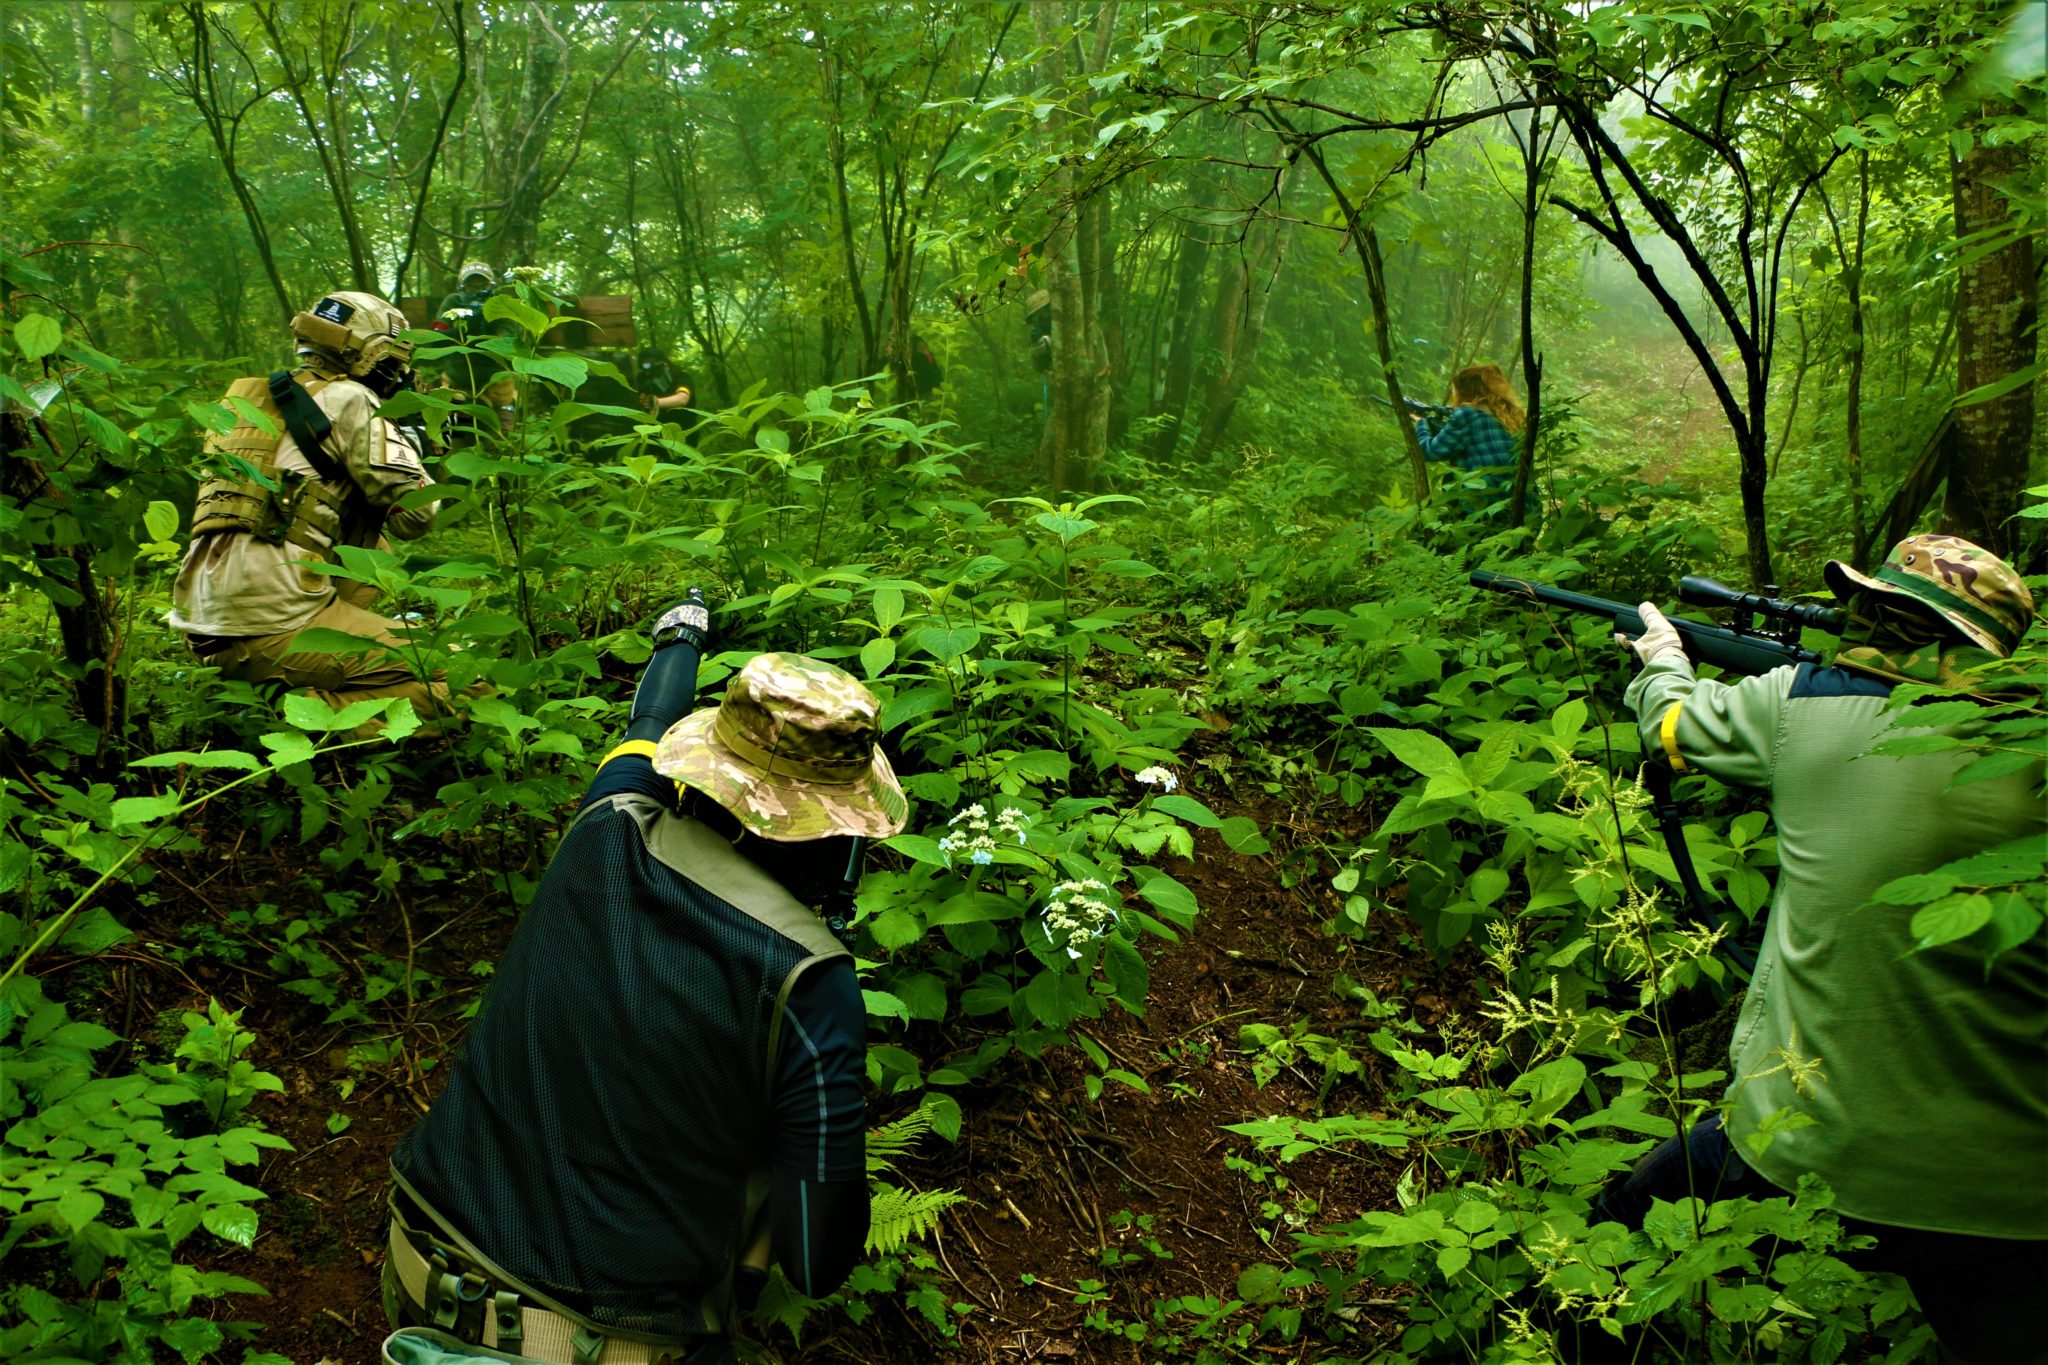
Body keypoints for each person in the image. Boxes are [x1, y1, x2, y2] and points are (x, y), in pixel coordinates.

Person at [383, 606, 906, 1365]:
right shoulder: (809, 977)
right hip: (583, 1344)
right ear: (835, 827)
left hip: (419, 1260)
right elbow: (816, 1259)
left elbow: (649, 720)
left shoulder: (607, 818)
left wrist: (683, 633)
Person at [1598, 533, 2046, 1365]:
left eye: (1886, 615)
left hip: (1809, 1136)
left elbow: (1671, 725)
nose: (1865, 626)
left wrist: (1662, 654)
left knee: (1620, 1232)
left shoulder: (1797, 704)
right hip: (2013, 1183)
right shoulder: (2037, 754)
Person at [171, 290, 460, 728]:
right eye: (394, 361)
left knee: (370, 539)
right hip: (273, 626)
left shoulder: (239, 406)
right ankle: (294, 723)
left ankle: (264, 691)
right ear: (372, 353)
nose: (397, 373)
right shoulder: (350, 398)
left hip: (204, 624)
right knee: (459, 675)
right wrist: (415, 448)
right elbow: (417, 516)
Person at [430, 260, 518, 436]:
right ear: (462, 287)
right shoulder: (453, 302)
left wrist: (484, 328)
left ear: (491, 286)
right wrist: (462, 330)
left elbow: (506, 344)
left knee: (501, 444)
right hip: (456, 386)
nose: (477, 291)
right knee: (453, 442)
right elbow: (436, 338)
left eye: (482, 285)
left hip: (497, 391)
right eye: (471, 286)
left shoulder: (501, 305)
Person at [1412, 362, 1522, 498]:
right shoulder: (1511, 416)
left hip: (1486, 504)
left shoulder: (1467, 415)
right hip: (1523, 506)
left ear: (1465, 392)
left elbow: (1428, 452)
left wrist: (1421, 423)